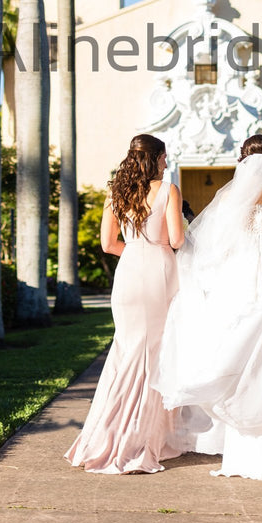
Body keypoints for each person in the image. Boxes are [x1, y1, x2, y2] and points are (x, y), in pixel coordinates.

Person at [157, 134, 262, 483]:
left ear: (242, 160)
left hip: (238, 279)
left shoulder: (228, 196)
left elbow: (215, 245)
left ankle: (245, 452)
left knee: (238, 358)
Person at [64, 133, 185, 473]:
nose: (166, 162)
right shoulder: (169, 190)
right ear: (155, 158)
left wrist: (135, 249)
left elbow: (107, 244)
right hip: (159, 271)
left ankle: (107, 432)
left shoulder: (116, 192)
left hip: (128, 272)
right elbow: (176, 239)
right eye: (164, 157)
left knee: (127, 350)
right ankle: (134, 437)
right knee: (152, 353)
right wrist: (166, 243)